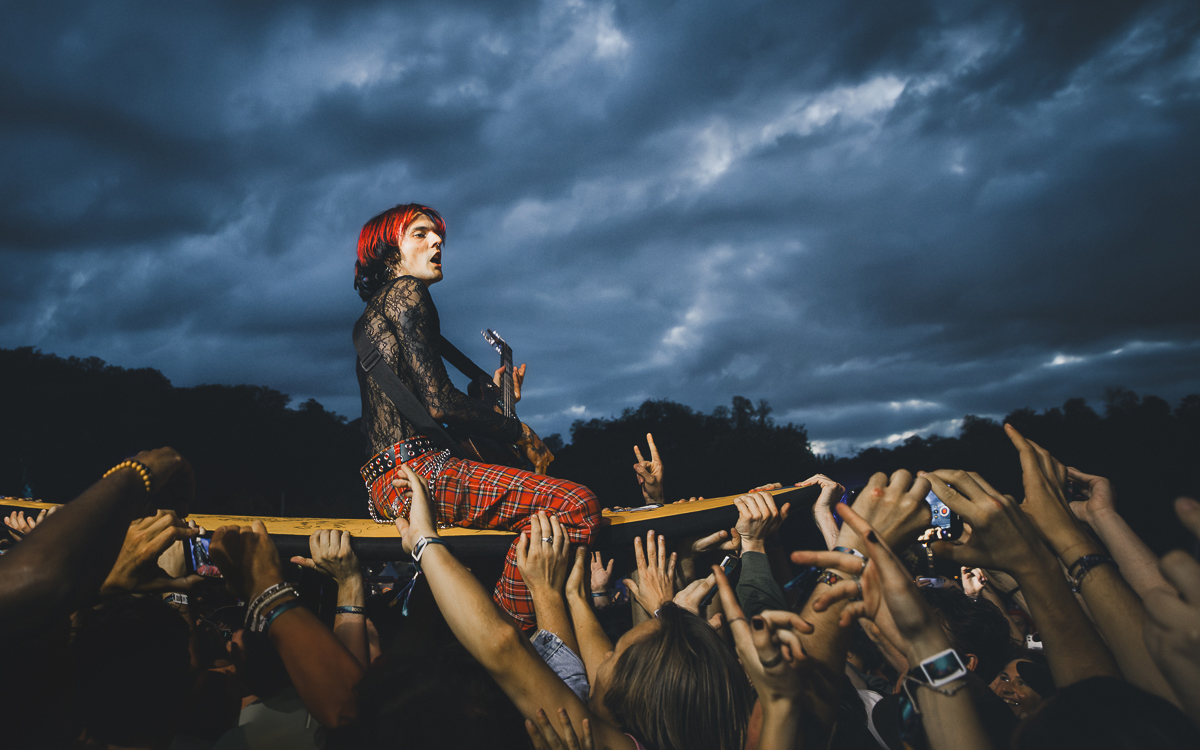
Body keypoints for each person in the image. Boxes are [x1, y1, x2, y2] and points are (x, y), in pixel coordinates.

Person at [351, 203, 600, 627]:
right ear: (388, 248)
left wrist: (500, 407)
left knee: (534, 527)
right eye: (420, 234)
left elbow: (430, 410)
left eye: (439, 235)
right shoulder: (408, 292)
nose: (437, 242)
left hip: (397, 477)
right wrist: (517, 429)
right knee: (575, 505)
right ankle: (510, 644)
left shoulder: (380, 309)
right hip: (417, 473)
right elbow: (440, 403)